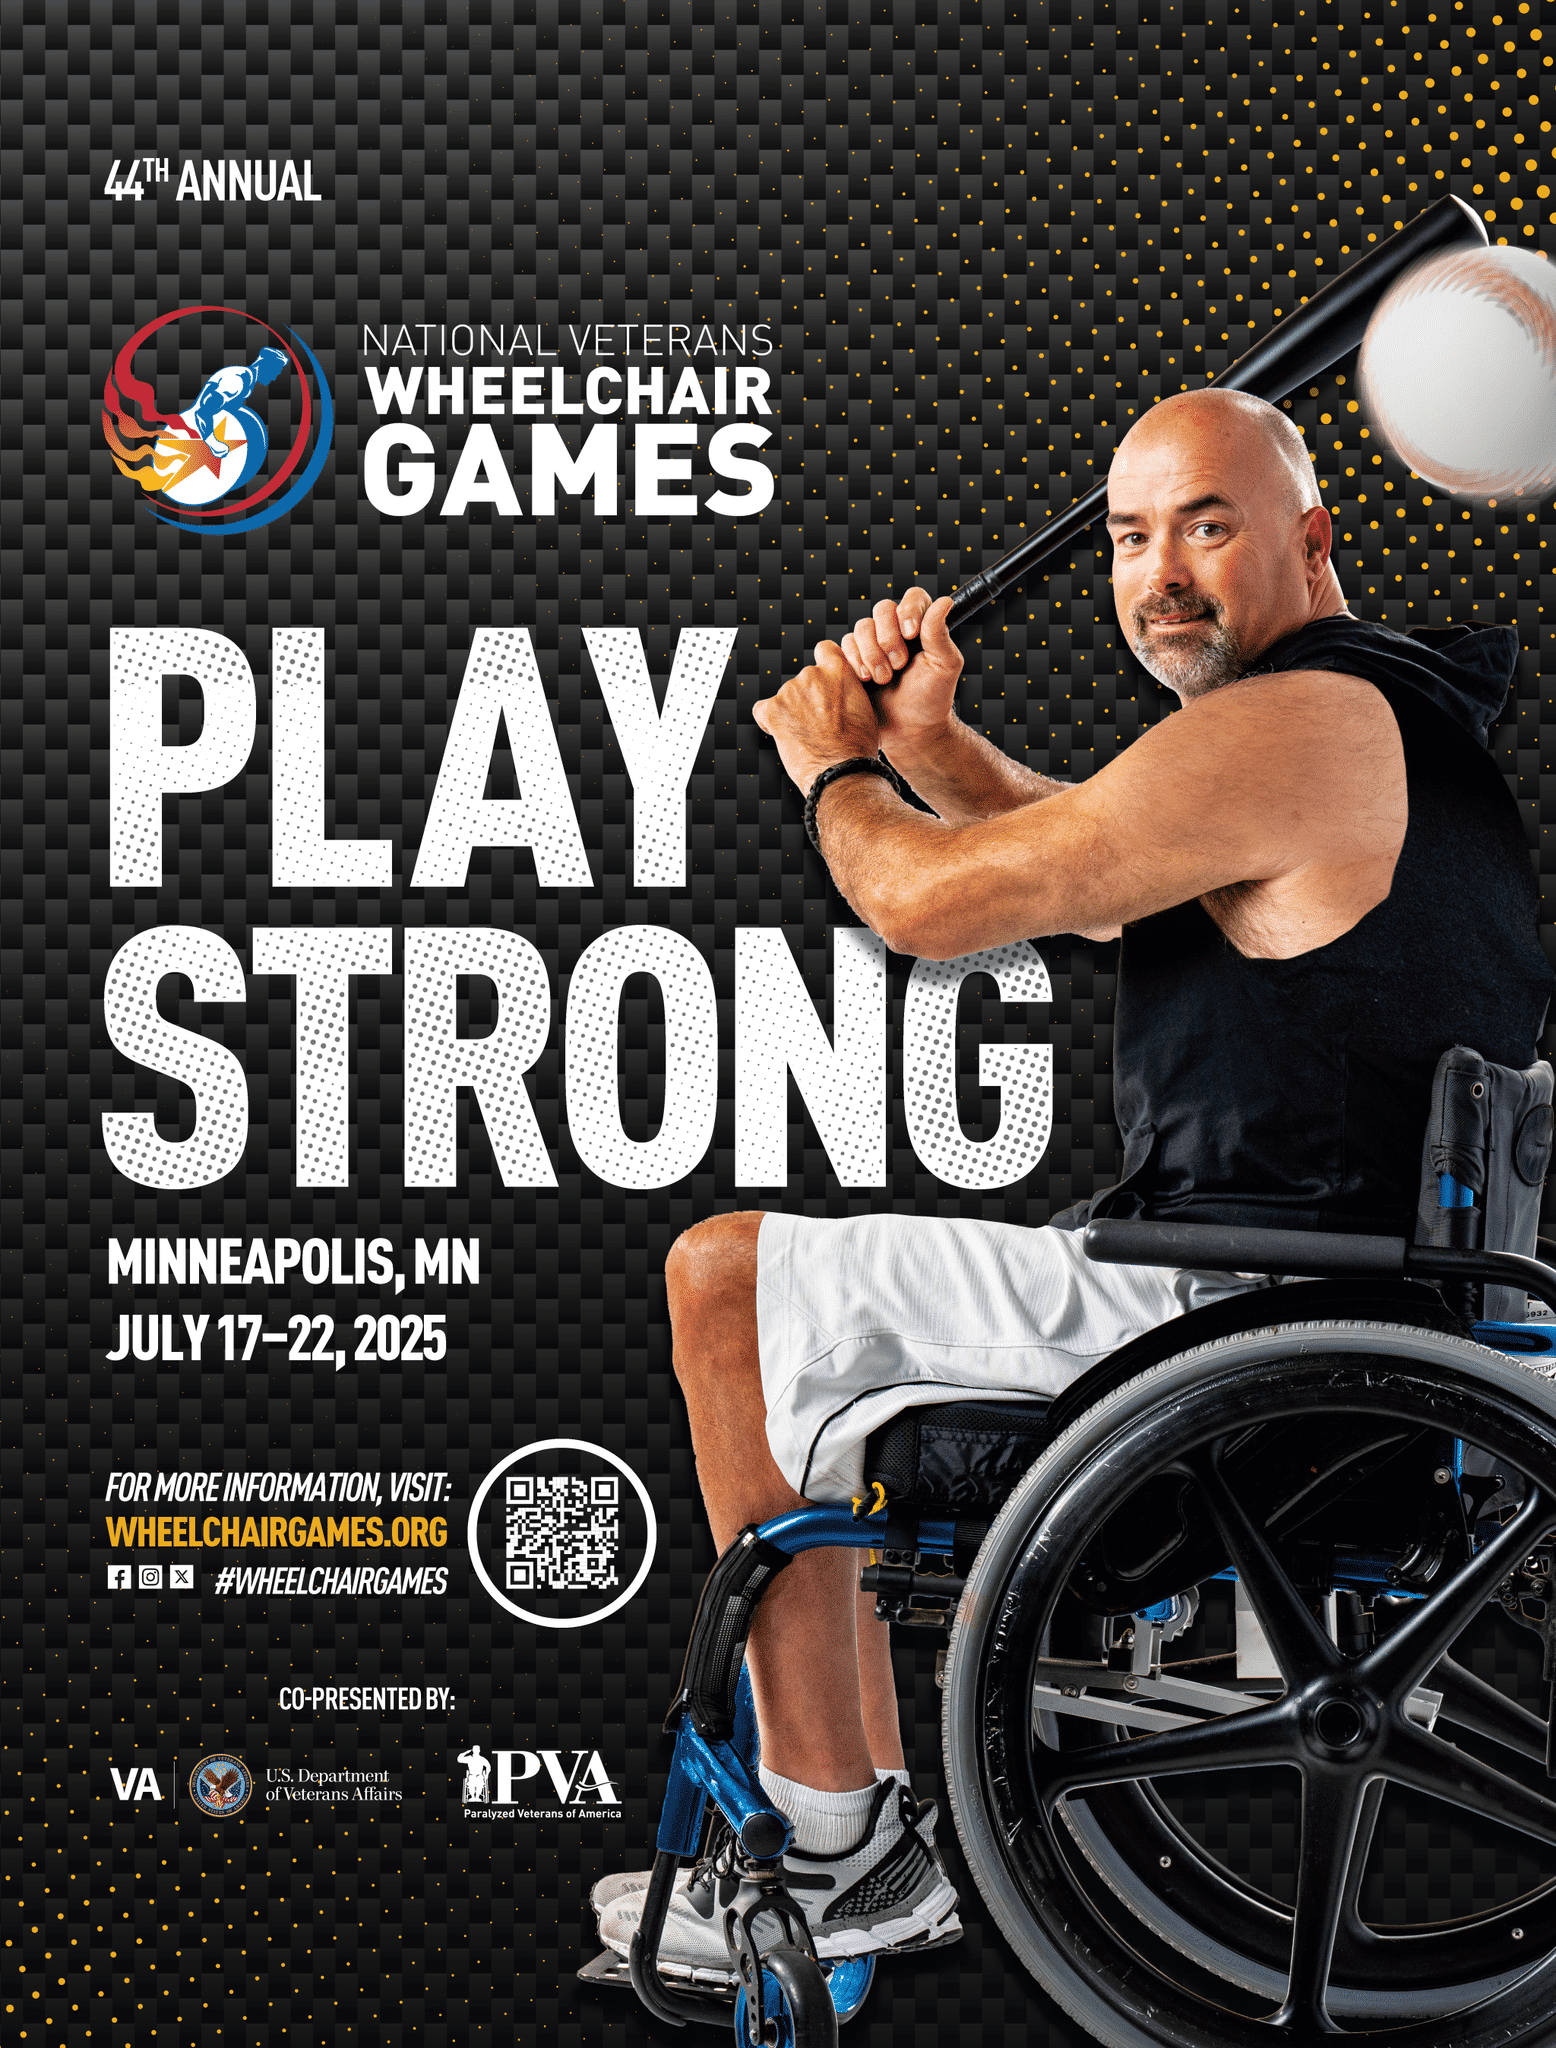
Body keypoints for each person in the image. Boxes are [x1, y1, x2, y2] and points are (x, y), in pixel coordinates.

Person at [594, 388, 1554, 1976]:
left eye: (1206, 525)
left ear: (1314, 538)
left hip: (1243, 1321)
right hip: (1344, 1305)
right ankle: (852, 1830)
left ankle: (832, 1848)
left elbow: (922, 908)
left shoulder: (1283, 723)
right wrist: (936, 747)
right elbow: (1109, 879)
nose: (1158, 575)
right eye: (1126, 538)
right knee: (786, 1290)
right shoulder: (1389, 724)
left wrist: (838, 770)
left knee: (727, 1277)